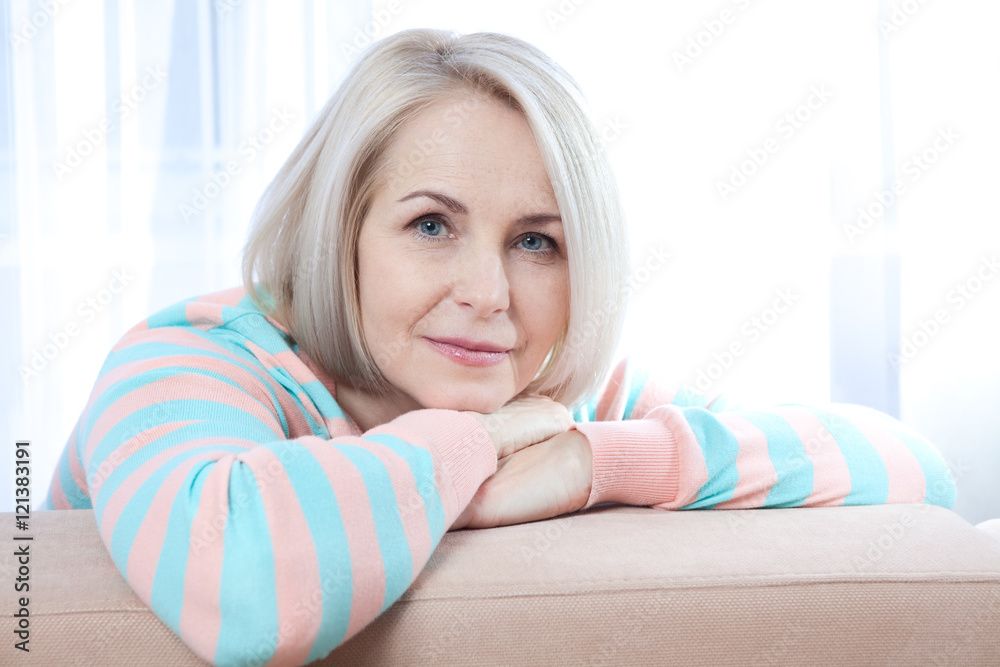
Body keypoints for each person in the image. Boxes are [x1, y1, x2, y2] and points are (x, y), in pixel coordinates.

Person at [42, 28, 956, 667]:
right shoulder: (185, 359)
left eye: (536, 241)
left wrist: (595, 460)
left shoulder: (567, 392)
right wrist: (472, 448)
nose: (489, 293)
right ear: (340, 233)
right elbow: (243, 586)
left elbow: (912, 469)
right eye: (432, 224)